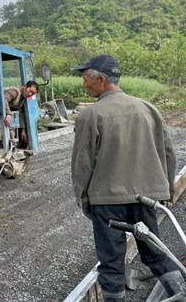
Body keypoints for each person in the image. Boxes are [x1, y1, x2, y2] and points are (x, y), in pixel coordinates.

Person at [71, 54, 185, 302]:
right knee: (155, 253)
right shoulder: (149, 109)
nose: (83, 85)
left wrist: (84, 198)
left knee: (111, 263)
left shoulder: (90, 116)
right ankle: (180, 294)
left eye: (85, 79)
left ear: (101, 79)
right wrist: (165, 192)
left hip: (107, 201)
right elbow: (168, 154)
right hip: (147, 199)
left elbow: (82, 165)